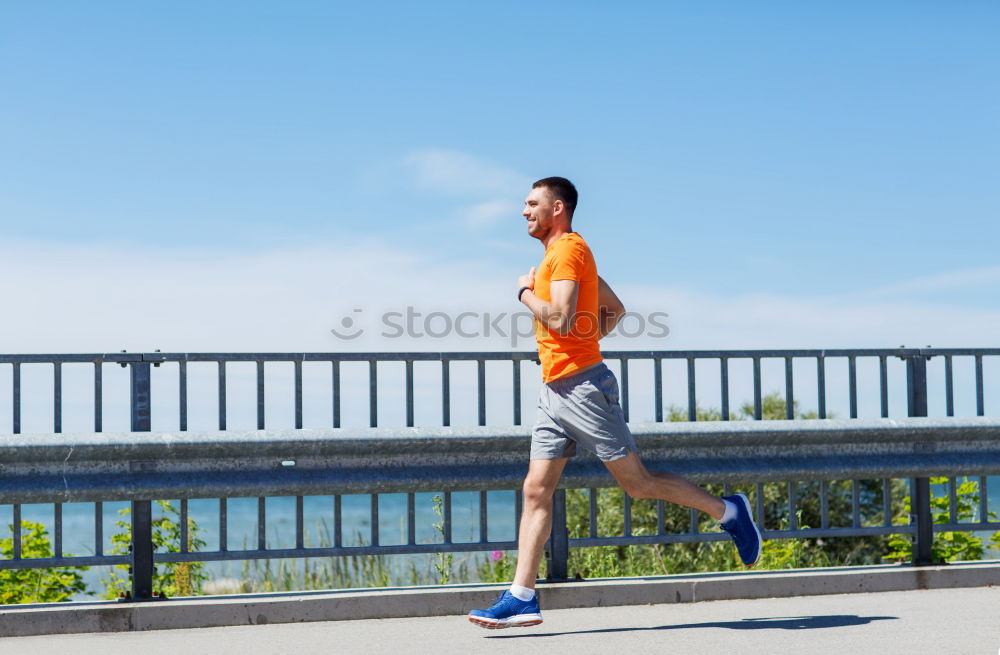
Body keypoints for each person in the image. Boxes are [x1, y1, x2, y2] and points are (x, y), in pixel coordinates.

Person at [467, 177, 762, 630]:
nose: (523, 211)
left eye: (531, 204)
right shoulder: (558, 255)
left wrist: (523, 293)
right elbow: (615, 308)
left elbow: (563, 319)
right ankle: (522, 596)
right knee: (535, 490)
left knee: (638, 484)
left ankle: (729, 512)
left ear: (557, 207)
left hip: (583, 388)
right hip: (554, 389)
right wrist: (581, 339)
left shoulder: (568, 250)